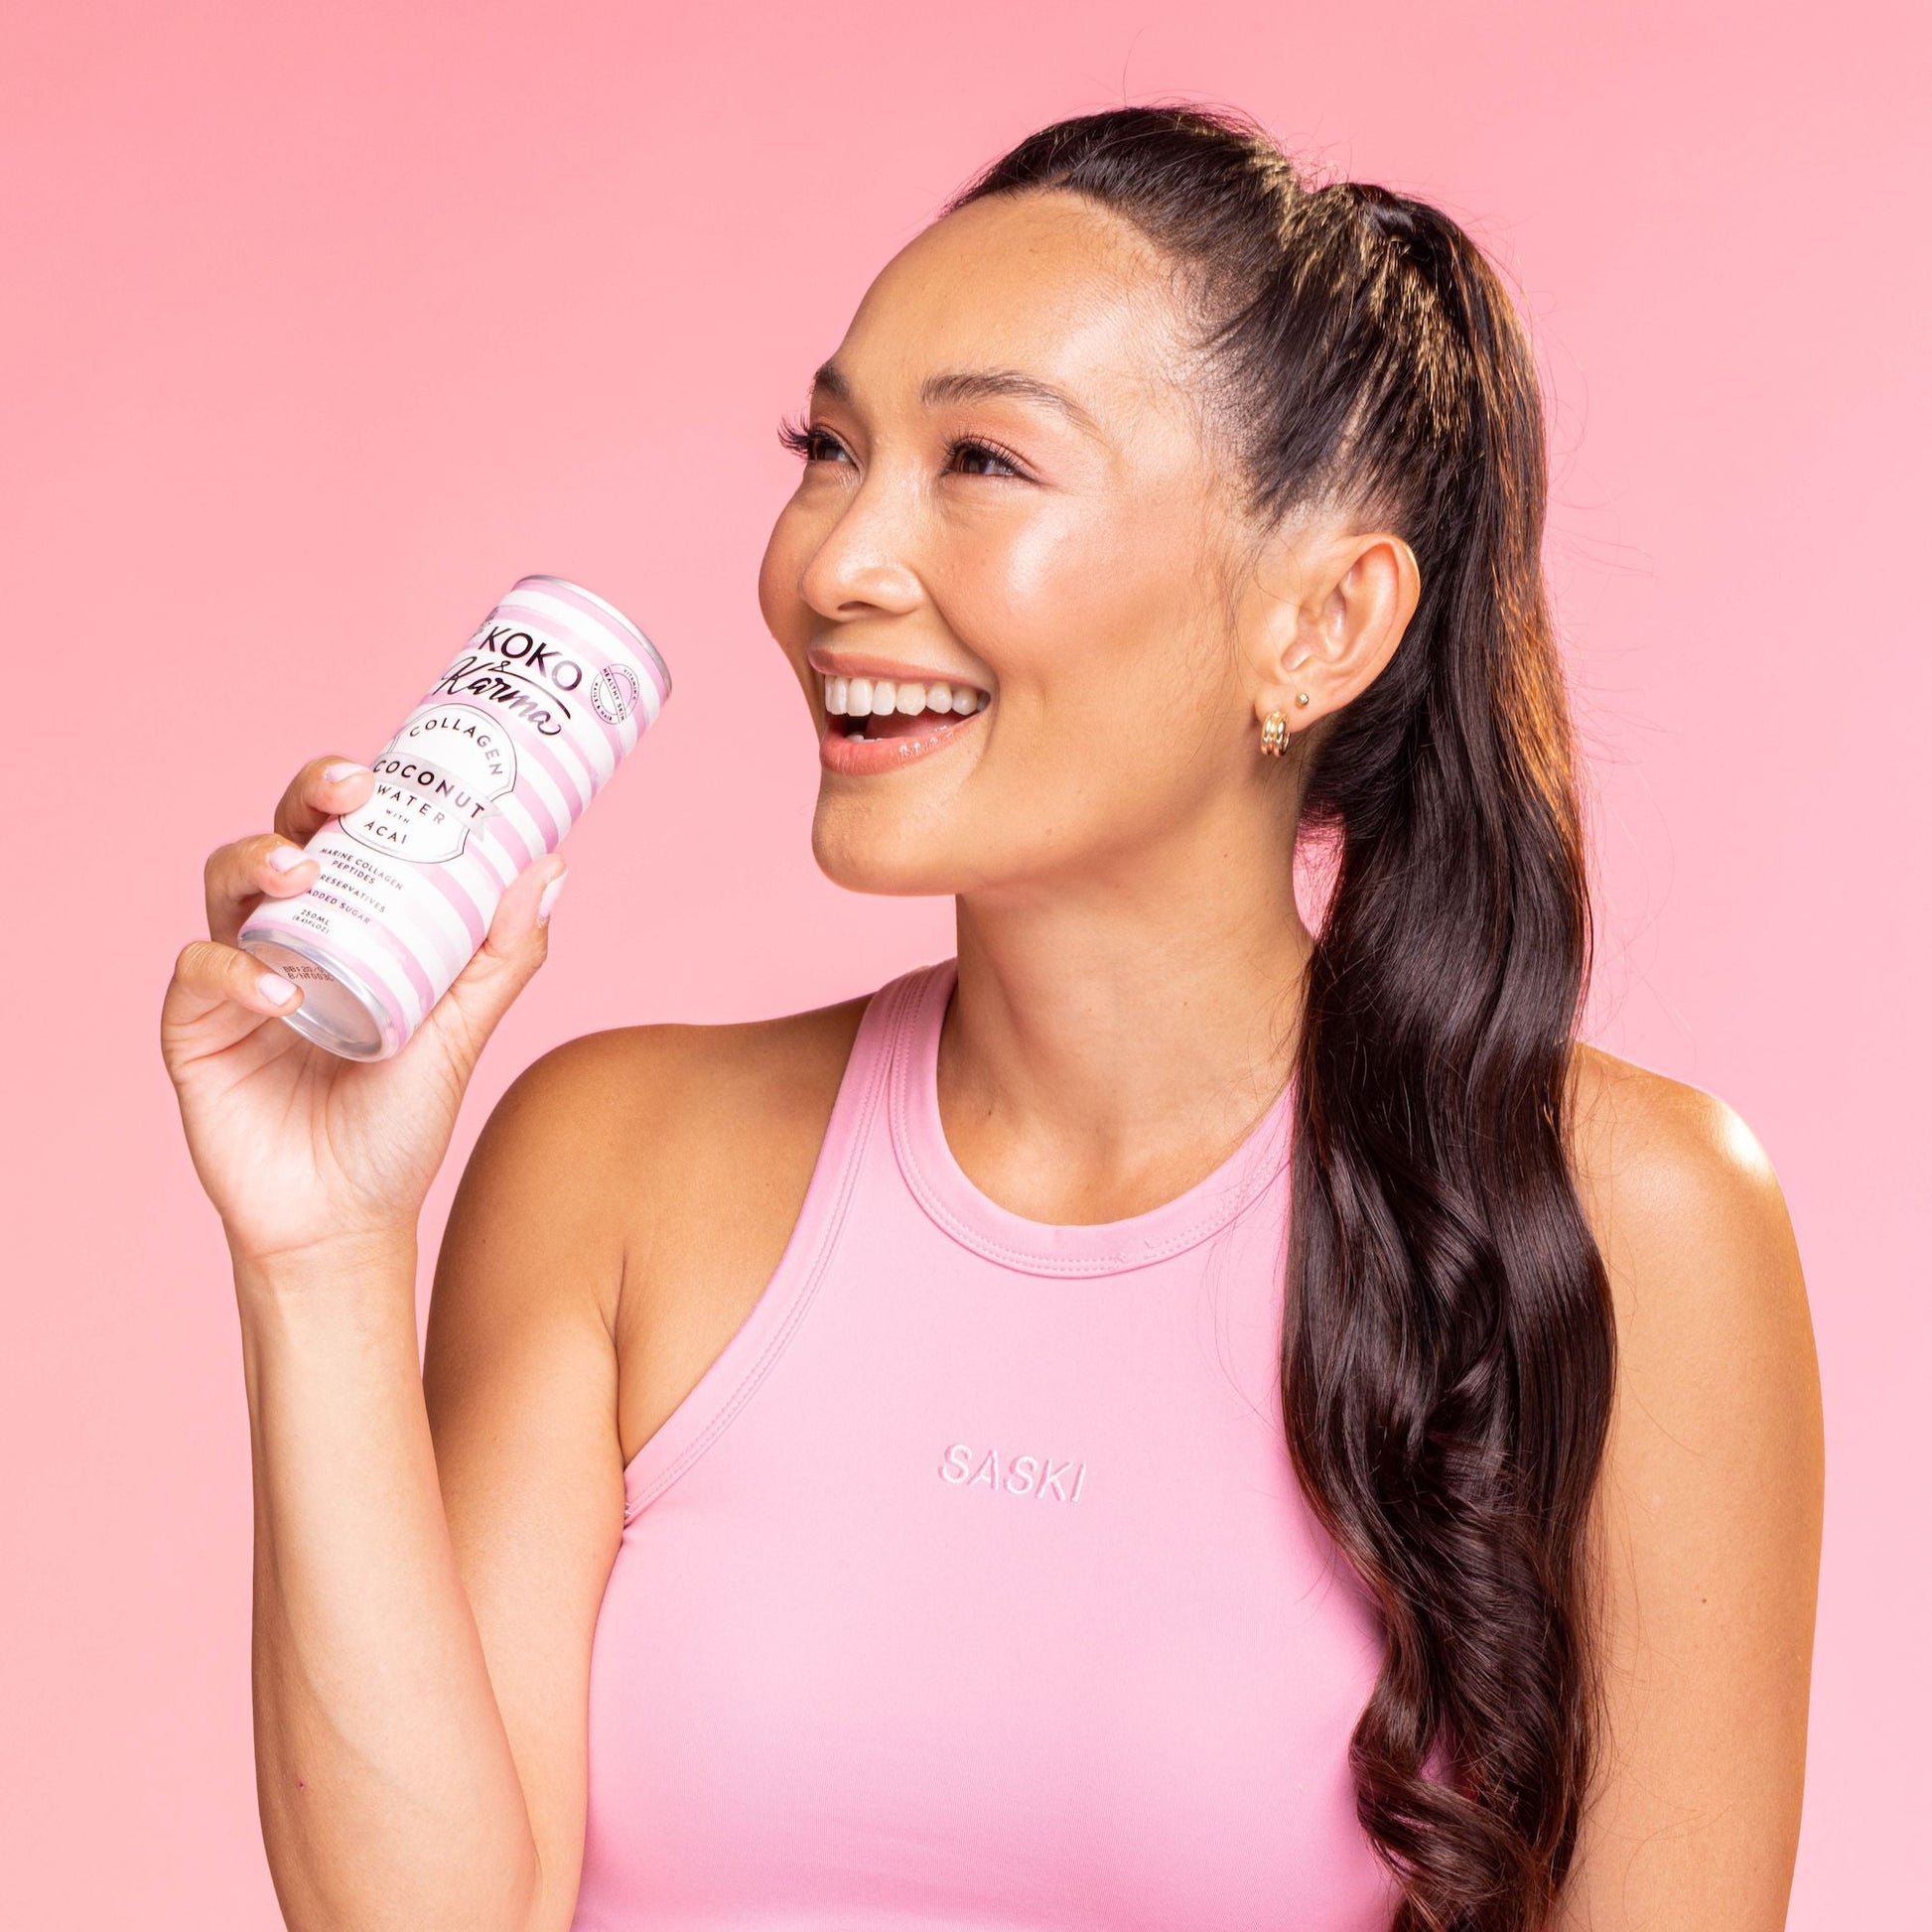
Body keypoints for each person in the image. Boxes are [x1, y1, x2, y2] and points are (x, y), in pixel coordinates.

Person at [159, 103, 1823, 1932]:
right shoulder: (610, 1159)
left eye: (979, 462)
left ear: (1321, 620)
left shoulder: (1627, 1224)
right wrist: (319, 1248)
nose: (835, 565)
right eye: (830, 447)